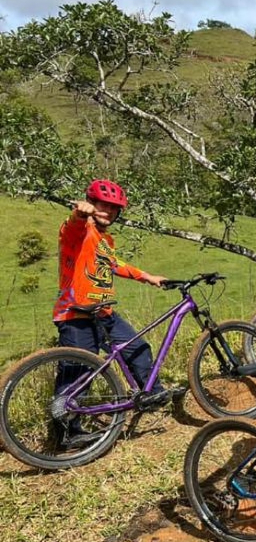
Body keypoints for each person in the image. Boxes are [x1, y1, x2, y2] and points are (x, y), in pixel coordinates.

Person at [52, 179, 172, 446]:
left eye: (113, 208)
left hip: (103, 313)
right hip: (76, 314)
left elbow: (115, 264)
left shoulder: (105, 240)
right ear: (91, 203)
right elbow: (71, 227)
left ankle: (151, 394)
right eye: (101, 205)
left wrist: (147, 276)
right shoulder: (77, 231)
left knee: (138, 348)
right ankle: (66, 433)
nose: (107, 211)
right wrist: (79, 213)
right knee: (78, 372)